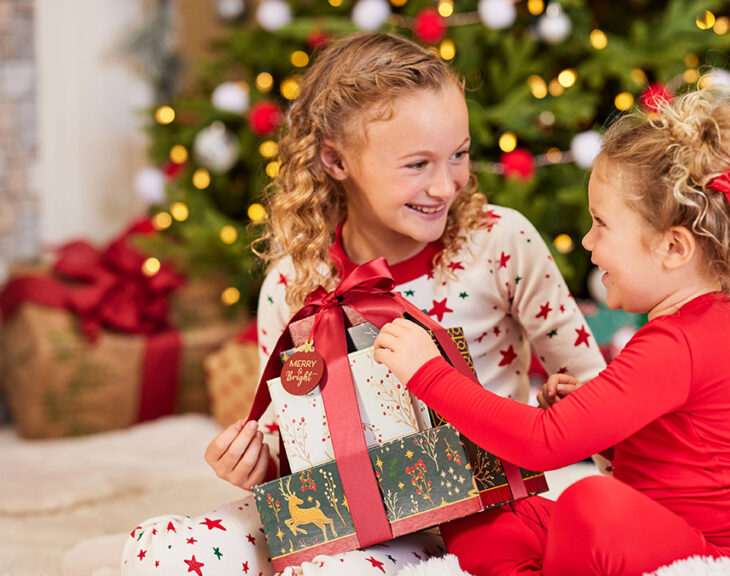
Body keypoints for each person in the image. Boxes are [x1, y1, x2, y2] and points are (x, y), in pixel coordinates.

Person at [119, 32, 606, 576]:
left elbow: (599, 396)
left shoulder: (499, 243)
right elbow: (288, 450)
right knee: (162, 552)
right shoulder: (293, 284)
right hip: (339, 514)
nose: (446, 186)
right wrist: (253, 461)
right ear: (335, 159)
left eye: (459, 155)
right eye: (417, 164)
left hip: (481, 519)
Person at [372, 85, 730, 576]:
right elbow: (675, 458)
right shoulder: (693, 323)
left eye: (601, 224)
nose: (589, 242)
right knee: (486, 518)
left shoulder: (681, 340)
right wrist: (600, 427)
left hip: (725, 555)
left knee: (590, 504)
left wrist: (428, 373)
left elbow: (544, 443)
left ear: (673, 249)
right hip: (664, 528)